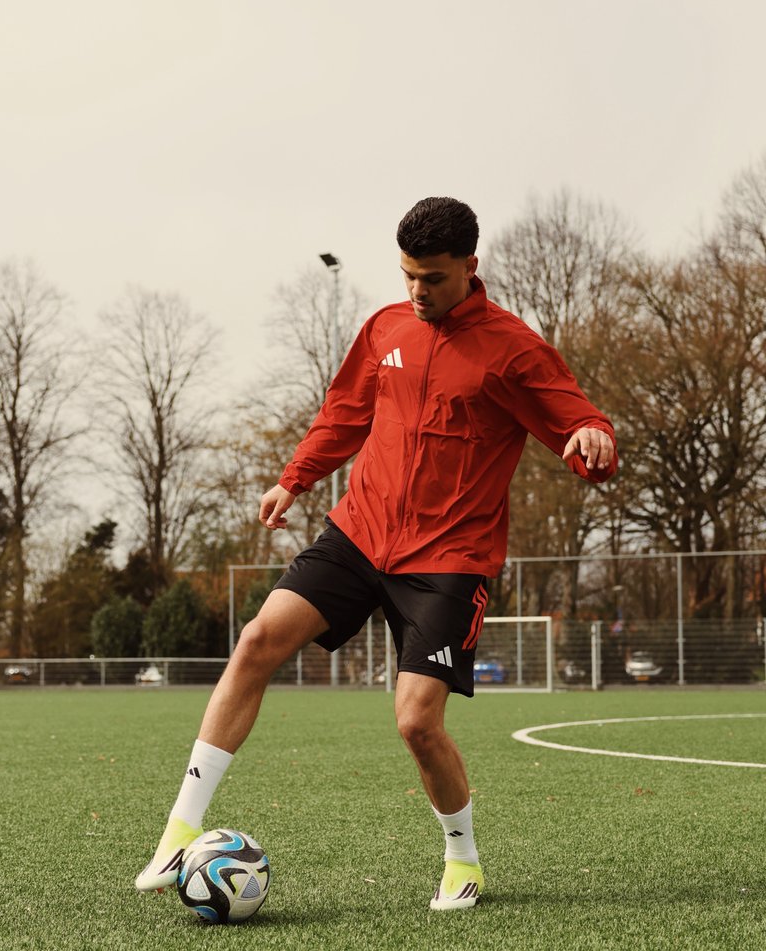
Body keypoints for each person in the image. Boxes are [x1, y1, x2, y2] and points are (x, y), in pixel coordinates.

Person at [135, 197, 618, 910]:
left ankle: (464, 862)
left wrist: (592, 445)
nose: (417, 291)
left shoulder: (513, 349)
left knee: (417, 722)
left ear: (470, 268)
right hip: (360, 532)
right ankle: (180, 828)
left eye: (433, 278)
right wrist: (293, 478)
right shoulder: (385, 328)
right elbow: (344, 413)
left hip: (449, 557)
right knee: (257, 640)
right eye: (407, 276)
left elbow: (578, 421)